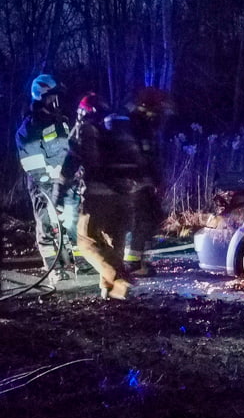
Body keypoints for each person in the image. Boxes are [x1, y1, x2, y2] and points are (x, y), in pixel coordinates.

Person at [54, 94, 147, 300]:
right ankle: (108, 289)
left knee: (86, 241)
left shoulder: (85, 130)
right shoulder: (121, 130)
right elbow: (140, 162)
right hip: (127, 196)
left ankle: (119, 280)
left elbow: (69, 165)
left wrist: (57, 195)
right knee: (115, 242)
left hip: (99, 196)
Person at [15, 74, 92, 284]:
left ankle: (84, 265)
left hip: (67, 183)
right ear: (42, 97)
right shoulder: (29, 127)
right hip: (43, 185)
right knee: (48, 224)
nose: (56, 100)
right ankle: (55, 269)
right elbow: (32, 162)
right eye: (52, 96)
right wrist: (49, 184)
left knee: (75, 223)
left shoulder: (62, 121)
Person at [123, 88, 171, 276]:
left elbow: (150, 156)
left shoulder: (142, 124)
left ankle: (138, 259)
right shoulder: (135, 125)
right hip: (136, 181)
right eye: (157, 110)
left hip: (143, 180)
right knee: (142, 220)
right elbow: (142, 156)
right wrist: (151, 178)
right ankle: (133, 263)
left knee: (152, 218)